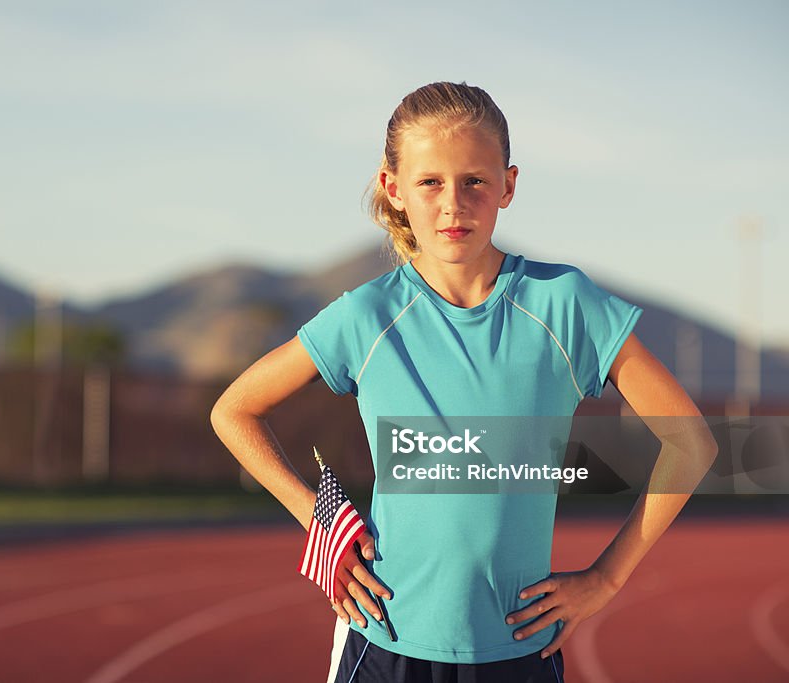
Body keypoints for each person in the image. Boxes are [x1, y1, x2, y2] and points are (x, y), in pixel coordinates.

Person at [210, 81, 717, 683]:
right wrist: (315, 518)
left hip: (518, 647)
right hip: (385, 641)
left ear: (508, 184)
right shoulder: (366, 316)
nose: (453, 204)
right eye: (430, 182)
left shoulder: (564, 305)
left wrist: (606, 577)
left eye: (474, 180)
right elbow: (233, 411)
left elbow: (693, 443)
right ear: (393, 188)